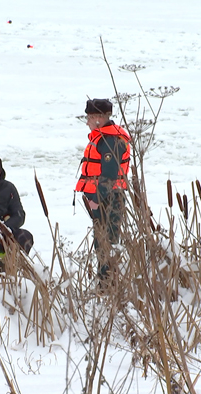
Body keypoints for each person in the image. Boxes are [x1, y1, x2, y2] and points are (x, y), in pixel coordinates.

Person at [74, 98, 131, 279]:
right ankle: (105, 284)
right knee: (102, 243)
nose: (88, 122)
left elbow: (109, 175)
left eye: (90, 117)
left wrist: (96, 200)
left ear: (100, 117)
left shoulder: (110, 140)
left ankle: (108, 285)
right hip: (104, 197)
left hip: (109, 198)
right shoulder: (104, 137)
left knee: (107, 243)